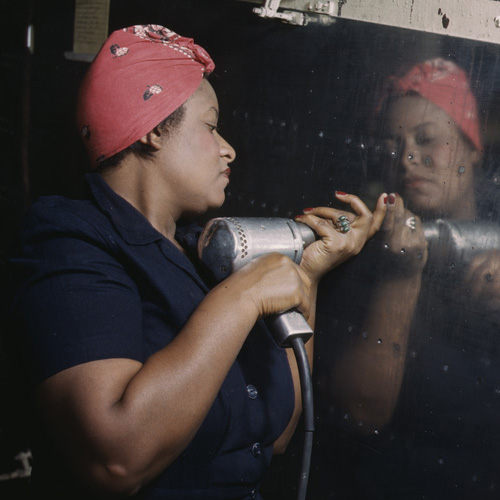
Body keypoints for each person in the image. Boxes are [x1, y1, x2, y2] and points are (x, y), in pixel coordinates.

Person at [9, 24, 386, 499]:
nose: (228, 148)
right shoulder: (68, 242)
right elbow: (115, 460)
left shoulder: (199, 253)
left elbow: (278, 435)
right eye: (210, 126)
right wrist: (244, 296)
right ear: (152, 130)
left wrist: (306, 276)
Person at [316, 57, 500, 499]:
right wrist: (399, 280)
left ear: (473, 149)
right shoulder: (362, 251)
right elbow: (360, 412)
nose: (407, 157)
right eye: (391, 145)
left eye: (428, 139)